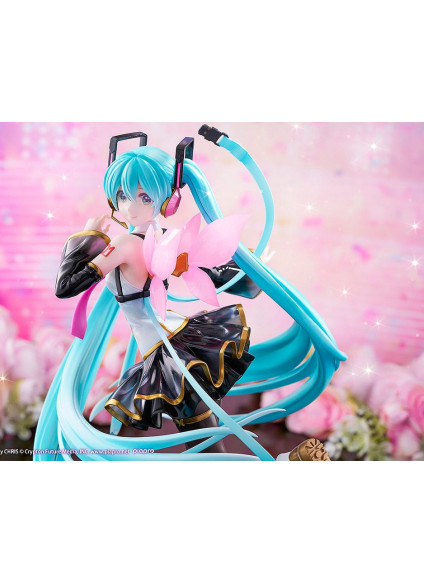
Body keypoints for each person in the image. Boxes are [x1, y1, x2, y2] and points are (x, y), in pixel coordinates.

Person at [34, 127, 346, 461]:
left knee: (198, 435)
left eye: (144, 197)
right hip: (174, 341)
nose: (131, 207)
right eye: (123, 195)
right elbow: (202, 268)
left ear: (168, 200)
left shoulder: (126, 244)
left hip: (167, 350)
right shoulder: (158, 235)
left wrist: (86, 237)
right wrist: (250, 277)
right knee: (197, 431)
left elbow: (66, 286)